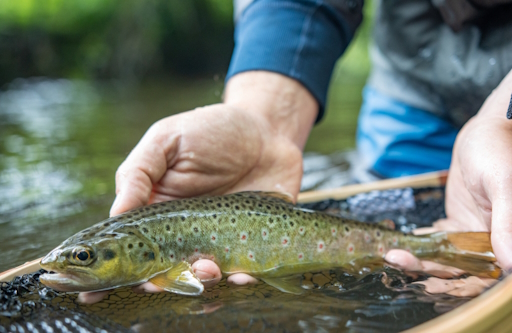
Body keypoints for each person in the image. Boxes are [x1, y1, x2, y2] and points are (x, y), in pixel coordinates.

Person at [79, 0, 512, 303]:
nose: (82, 262)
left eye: (86, 258)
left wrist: (501, 119)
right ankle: (439, 244)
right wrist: (263, 117)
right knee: (412, 247)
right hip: (416, 70)